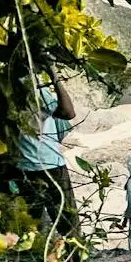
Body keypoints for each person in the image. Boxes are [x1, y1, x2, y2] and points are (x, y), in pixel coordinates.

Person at [13, 72, 79, 230]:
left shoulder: (3, 90)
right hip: (50, 164)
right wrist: (54, 76)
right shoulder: (36, 90)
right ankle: (74, 253)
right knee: (68, 224)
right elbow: (68, 112)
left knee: (31, 226)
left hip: (22, 168)